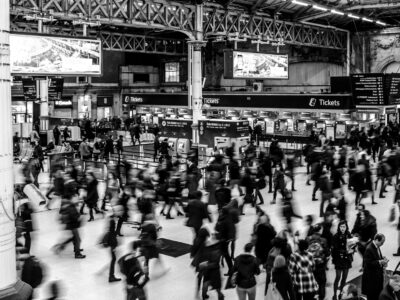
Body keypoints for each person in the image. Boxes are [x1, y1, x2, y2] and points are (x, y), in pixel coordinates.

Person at [332, 221, 354, 300]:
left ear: (346, 227)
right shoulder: (336, 236)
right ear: (339, 227)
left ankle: (341, 294)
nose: (342, 228)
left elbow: (353, 247)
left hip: (347, 260)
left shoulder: (349, 235)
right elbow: (334, 249)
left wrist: (353, 248)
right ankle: (334, 295)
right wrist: (343, 251)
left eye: (344, 226)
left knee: (344, 278)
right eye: (341, 226)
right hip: (338, 259)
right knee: (338, 277)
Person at [362, 233, 388, 300]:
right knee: (372, 297)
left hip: (376, 277)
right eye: (382, 242)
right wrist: (380, 261)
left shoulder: (376, 246)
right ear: (376, 240)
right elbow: (368, 263)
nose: (383, 244)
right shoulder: (369, 249)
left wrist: (382, 257)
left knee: (377, 295)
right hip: (371, 280)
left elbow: (375, 257)